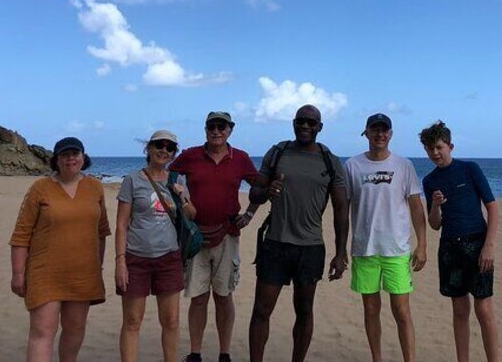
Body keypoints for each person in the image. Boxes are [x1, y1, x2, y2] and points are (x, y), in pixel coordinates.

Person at [248, 104, 349, 362]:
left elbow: (340, 209)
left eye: (311, 122)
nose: (305, 126)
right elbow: (254, 194)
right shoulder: (278, 152)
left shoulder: (330, 160)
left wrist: (340, 253)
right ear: (293, 123)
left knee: (304, 311)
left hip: (310, 247)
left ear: (320, 127)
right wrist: (267, 189)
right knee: (261, 310)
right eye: (300, 121)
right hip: (275, 244)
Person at [169, 111, 261, 362]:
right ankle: (196, 353)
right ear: (205, 129)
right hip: (195, 236)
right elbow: (168, 177)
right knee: (198, 298)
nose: (216, 131)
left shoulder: (240, 158)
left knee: (223, 296)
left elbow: (260, 188)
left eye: (222, 126)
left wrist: (250, 214)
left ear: (230, 129)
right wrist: (179, 203)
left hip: (228, 234)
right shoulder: (190, 155)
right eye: (212, 126)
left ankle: (224, 353)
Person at [9, 136, 110, 362]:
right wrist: (17, 274)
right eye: (65, 155)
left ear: (84, 158)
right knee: (42, 332)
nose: (70, 159)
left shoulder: (95, 187)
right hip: (45, 273)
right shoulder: (40, 188)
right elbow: (21, 234)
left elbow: (101, 232)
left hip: (83, 274)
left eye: (75, 154)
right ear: (56, 160)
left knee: (75, 330)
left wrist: (99, 267)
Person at [344, 113, 427, 362]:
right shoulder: (352, 166)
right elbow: (342, 208)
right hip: (364, 249)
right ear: (366, 133)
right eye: (375, 129)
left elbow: (415, 207)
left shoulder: (404, 165)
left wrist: (422, 244)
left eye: (384, 130)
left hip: (397, 250)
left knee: (402, 311)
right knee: (371, 310)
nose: (380, 134)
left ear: (390, 134)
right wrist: (340, 248)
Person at [114, 130, 197, 362]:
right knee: (132, 321)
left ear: (174, 154)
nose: (164, 150)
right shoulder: (133, 180)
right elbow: (121, 224)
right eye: (159, 145)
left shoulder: (177, 180)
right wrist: (120, 261)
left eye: (170, 147)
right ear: (148, 148)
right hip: (136, 258)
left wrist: (183, 198)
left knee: (170, 321)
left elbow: (191, 215)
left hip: (169, 258)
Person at [420, 121, 499, 362]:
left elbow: (493, 209)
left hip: (477, 244)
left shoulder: (470, 169)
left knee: (483, 309)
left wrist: (488, 246)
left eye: (439, 147)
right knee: (459, 309)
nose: (435, 153)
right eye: (430, 149)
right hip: (449, 248)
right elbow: (434, 224)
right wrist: (435, 204)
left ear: (450, 146)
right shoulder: (429, 180)